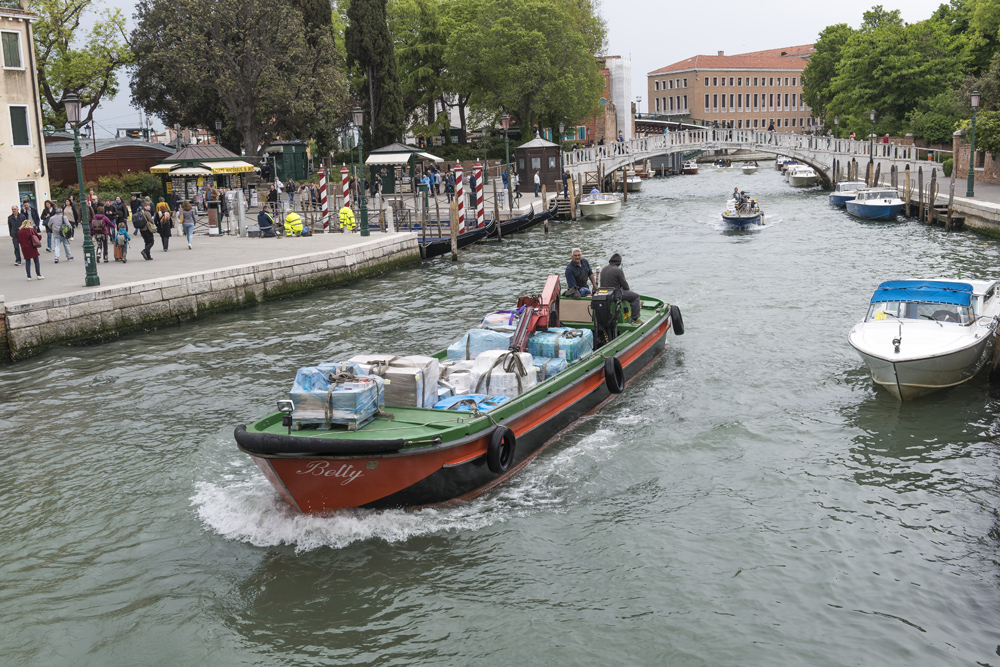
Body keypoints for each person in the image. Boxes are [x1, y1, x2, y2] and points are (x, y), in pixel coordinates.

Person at [599, 252, 642, 325]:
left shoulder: (604, 269)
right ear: (619, 263)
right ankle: (634, 318)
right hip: (614, 294)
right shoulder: (618, 270)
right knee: (635, 297)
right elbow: (625, 286)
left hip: (603, 293)